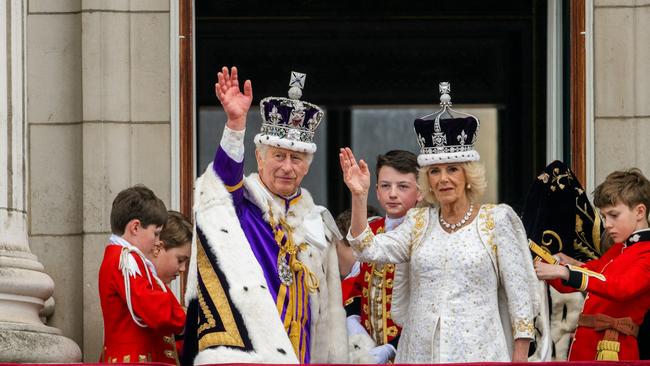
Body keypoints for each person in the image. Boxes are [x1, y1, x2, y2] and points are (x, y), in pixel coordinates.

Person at [339, 103, 542, 363]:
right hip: (421, 353)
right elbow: (366, 248)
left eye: (452, 169)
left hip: (480, 352)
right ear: (428, 181)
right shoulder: (418, 222)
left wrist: (520, 356)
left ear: (468, 175)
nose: (443, 178)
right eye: (435, 171)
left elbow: (520, 296)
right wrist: (358, 196)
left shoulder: (496, 220)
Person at [182, 67, 348, 364]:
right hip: (254, 352)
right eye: (278, 155)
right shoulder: (243, 206)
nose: (287, 166)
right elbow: (222, 181)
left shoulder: (316, 221)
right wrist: (235, 125)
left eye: (296, 158)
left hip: (304, 352)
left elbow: (330, 300)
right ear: (259, 157)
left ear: (307, 166)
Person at [534, 168, 650, 360]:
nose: (607, 224)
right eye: (604, 217)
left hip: (613, 350)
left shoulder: (646, 251)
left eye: (614, 215)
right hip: (589, 346)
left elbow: (620, 288)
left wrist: (565, 271)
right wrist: (545, 261)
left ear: (639, 212)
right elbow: (584, 276)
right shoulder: (620, 249)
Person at [341, 150, 422, 364]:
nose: (392, 193)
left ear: (420, 192)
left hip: (412, 353)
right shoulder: (371, 229)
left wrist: (391, 348)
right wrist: (354, 324)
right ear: (376, 191)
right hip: (368, 354)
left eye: (402, 186)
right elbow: (355, 289)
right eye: (386, 186)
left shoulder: (426, 236)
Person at [99, 186, 186, 364]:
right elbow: (152, 308)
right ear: (136, 227)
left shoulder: (128, 258)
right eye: (155, 233)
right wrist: (183, 318)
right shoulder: (124, 258)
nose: (157, 241)